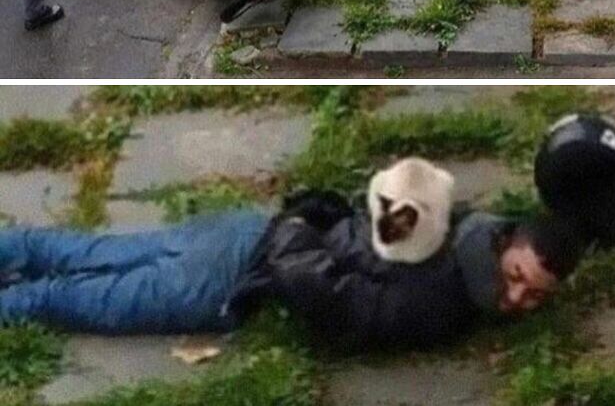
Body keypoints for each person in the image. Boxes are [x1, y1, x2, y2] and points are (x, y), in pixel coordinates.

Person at [0, 200, 579, 344]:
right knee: (71, 298)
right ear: (508, 244)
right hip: (234, 276)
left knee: (87, 253)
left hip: (243, 229)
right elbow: (329, 296)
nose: (517, 296)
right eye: (518, 275)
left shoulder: (457, 219)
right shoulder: (443, 299)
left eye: (534, 297)